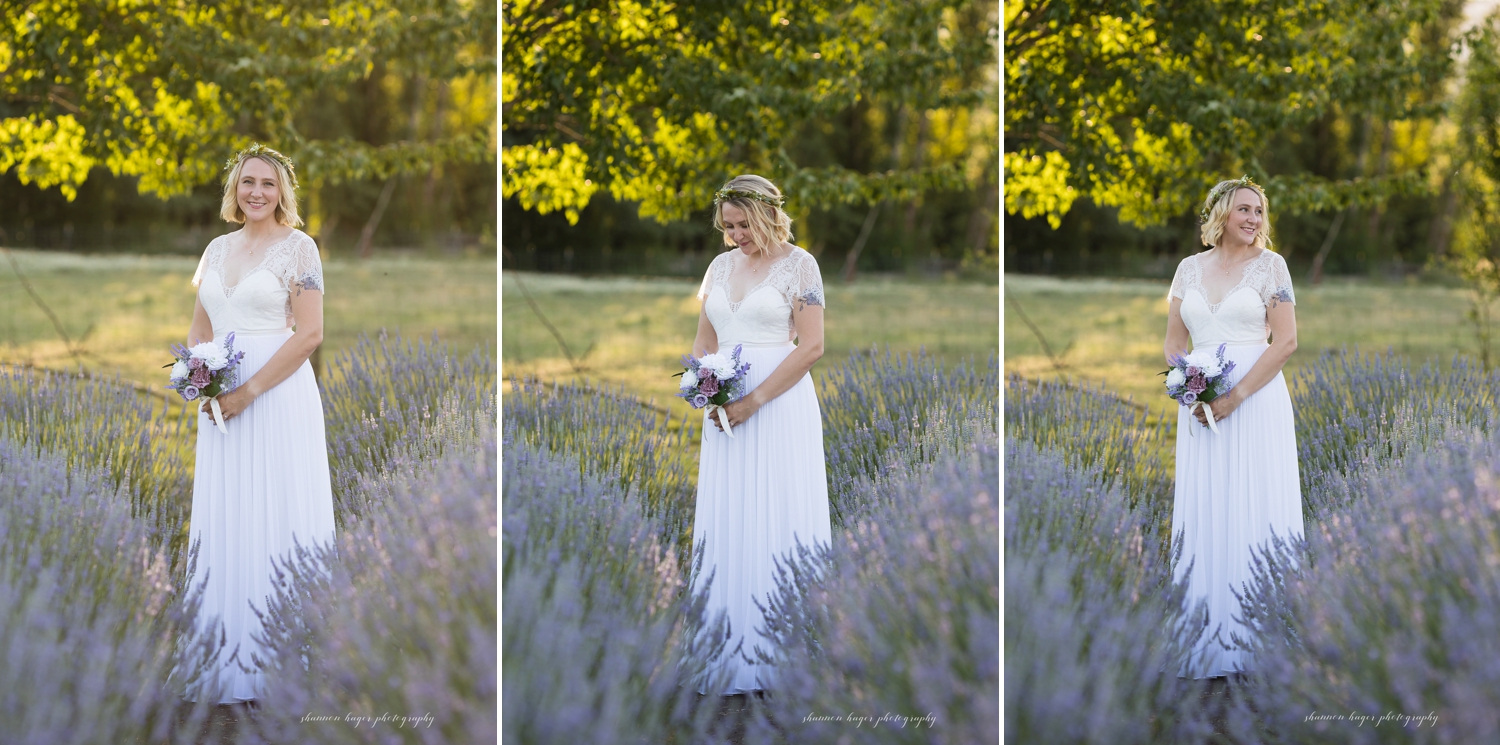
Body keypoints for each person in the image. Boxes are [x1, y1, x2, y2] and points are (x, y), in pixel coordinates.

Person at [178, 143, 337, 703]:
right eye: (248, 182)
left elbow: (311, 334)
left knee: (278, 512)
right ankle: (225, 657)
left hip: (277, 397)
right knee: (229, 513)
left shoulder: (301, 250)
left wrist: (248, 392)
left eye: (268, 184)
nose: (257, 192)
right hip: (222, 404)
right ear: (234, 189)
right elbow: (200, 327)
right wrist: (199, 378)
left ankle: (285, 665)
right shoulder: (216, 250)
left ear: (283, 192)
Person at [688, 174, 834, 695]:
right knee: (729, 516)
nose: (734, 235)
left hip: (779, 405)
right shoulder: (718, 267)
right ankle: (727, 652)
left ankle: (783, 658)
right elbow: (706, 341)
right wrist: (707, 392)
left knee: (779, 512)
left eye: (742, 224)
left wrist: (755, 400)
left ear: (767, 214)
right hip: (727, 410)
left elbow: (812, 347)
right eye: (726, 225)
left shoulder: (802, 265)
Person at [1164, 175, 1306, 679]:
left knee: (1256, 504)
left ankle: (1261, 642)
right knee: (1209, 505)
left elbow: (1285, 343)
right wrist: (1191, 389)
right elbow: (1174, 342)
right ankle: (1206, 638)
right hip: (1201, 407)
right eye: (1244, 210)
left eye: (1260, 212)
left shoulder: (1273, 267)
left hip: (1256, 401)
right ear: (1221, 213)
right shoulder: (1188, 269)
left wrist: (1235, 397)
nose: (1253, 219)